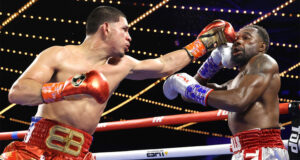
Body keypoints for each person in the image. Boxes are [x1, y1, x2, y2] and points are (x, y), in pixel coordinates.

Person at [0, 5, 235, 160]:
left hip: (78, 154)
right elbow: (18, 93)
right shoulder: (57, 54)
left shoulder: (122, 65)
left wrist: (203, 43)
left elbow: (164, 65)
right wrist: (69, 86)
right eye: (124, 30)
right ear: (106, 28)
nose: (130, 37)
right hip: (36, 149)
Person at [163, 25, 289, 159]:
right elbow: (188, 96)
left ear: (261, 47)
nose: (238, 42)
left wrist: (190, 88)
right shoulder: (233, 83)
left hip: (262, 148)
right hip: (245, 150)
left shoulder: (264, 61)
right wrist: (211, 64)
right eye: (236, 40)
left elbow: (238, 101)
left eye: (246, 38)